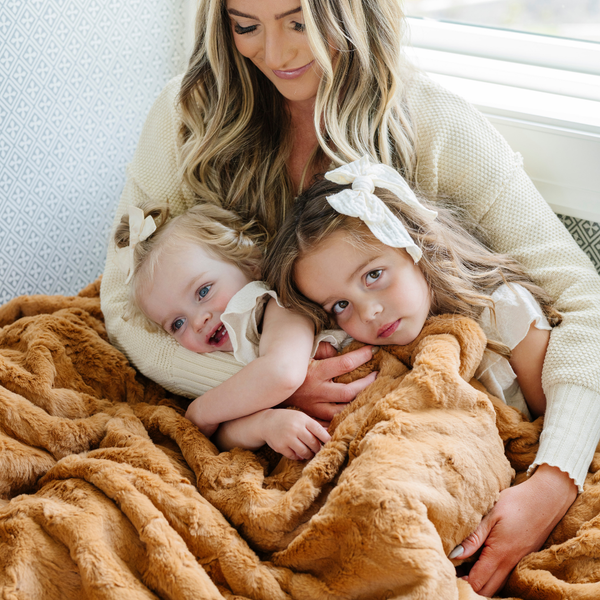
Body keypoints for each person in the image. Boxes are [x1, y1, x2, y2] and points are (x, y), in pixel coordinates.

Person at [100, 0, 600, 595]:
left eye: (297, 21)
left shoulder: (437, 125)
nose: (278, 54)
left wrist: (553, 482)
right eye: (246, 26)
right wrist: (264, 382)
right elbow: (124, 305)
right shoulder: (189, 115)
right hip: (294, 429)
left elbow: (583, 299)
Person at [265, 157, 559, 423]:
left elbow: (554, 422)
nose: (368, 313)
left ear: (415, 243)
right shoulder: (353, 349)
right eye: (340, 305)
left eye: (373, 275)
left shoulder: (505, 312)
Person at [112, 201, 354, 460]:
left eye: (203, 291)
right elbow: (222, 436)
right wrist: (266, 424)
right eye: (177, 324)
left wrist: (202, 410)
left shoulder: (279, 305)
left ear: (248, 263)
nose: (197, 321)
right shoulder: (226, 363)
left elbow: (282, 373)